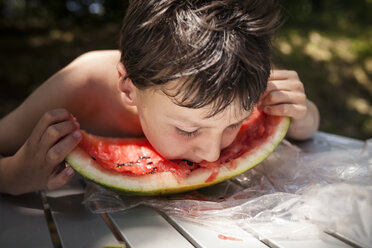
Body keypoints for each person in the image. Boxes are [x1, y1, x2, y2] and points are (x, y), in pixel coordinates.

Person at [0, 0, 319, 195]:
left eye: (233, 125)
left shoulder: (234, 70)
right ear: (128, 88)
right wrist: (13, 176)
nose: (210, 155)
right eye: (188, 130)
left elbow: (306, 126)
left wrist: (300, 116)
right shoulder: (80, 87)